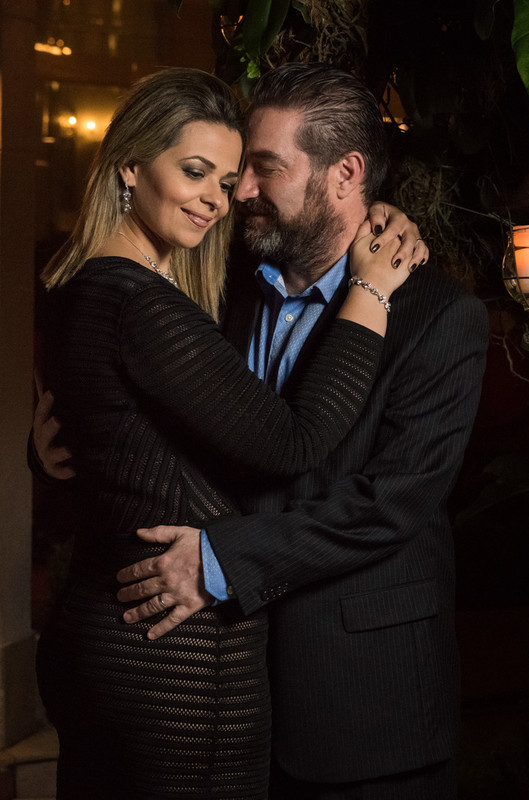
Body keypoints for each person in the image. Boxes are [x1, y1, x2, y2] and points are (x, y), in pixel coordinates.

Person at [34, 67, 419, 799]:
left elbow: (109, 446)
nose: (218, 198)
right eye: (195, 172)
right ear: (129, 166)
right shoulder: (141, 304)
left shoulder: (78, 290)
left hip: (98, 636)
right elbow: (295, 443)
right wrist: (370, 292)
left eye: (230, 177)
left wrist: (44, 456)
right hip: (171, 666)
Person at [112, 63, 489, 798]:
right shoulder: (215, 286)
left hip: (368, 711)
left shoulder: (439, 319)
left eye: (264, 168)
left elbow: (389, 504)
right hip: (223, 702)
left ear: (345, 174)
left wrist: (218, 562)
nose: (239, 191)